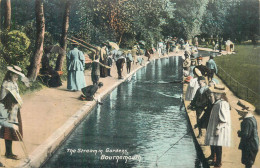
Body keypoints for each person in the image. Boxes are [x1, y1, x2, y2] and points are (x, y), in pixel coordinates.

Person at [0, 66, 25, 160]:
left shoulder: (14, 82)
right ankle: (8, 153)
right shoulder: (6, 84)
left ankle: (9, 152)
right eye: (15, 75)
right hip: (8, 109)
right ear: (10, 74)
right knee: (8, 130)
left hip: (14, 109)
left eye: (18, 76)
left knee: (12, 130)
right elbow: (2, 98)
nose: (17, 77)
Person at [205, 85, 231, 168]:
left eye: (217, 94)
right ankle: (215, 160)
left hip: (219, 128)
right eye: (215, 93)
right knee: (216, 145)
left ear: (221, 95)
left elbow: (223, 119)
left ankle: (218, 163)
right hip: (215, 126)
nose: (215, 95)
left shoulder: (222, 104)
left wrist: (218, 128)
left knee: (218, 146)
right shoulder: (219, 103)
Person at [236, 99, 259, 168]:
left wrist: (239, 133)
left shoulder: (247, 121)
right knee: (248, 162)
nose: (238, 113)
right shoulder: (252, 118)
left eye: (239, 112)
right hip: (253, 144)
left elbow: (246, 134)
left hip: (249, 146)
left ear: (244, 112)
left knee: (248, 163)